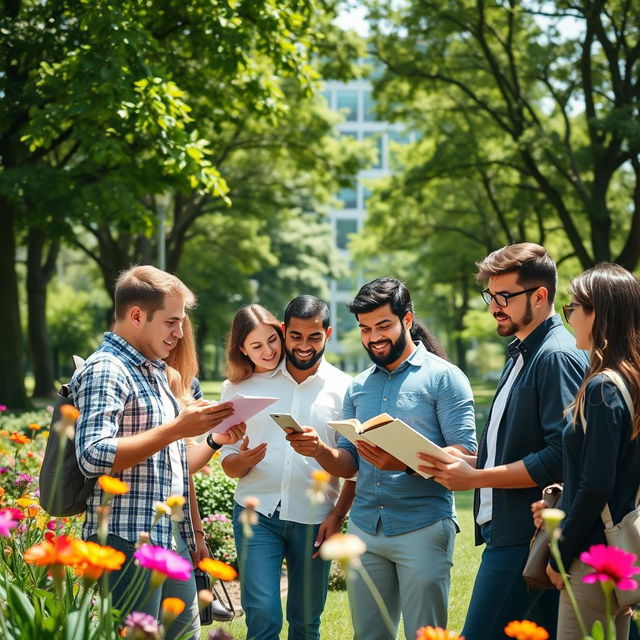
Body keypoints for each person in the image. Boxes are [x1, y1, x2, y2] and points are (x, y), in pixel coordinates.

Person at [288, 277, 477, 639]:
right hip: (365, 529)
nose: (374, 336)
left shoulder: (445, 378)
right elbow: (350, 463)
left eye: (383, 326)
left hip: (422, 525)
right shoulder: (358, 386)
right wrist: (320, 451)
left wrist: (403, 462)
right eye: (365, 329)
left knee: (426, 635)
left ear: (407, 320)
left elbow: (466, 455)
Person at [418, 243, 589, 640]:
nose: (494, 307)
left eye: (504, 297)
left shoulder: (555, 356)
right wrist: (470, 462)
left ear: (540, 296)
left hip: (525, 536)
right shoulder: (520, 352)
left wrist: (474, 479)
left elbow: (561, 455)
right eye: (490, 296)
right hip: (514, 533)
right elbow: (519, 446)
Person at [71, 265, 244, 639]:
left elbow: (173, 461)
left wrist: (209, 437)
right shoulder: (108, 369)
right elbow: (92, 454)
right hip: (125, 540)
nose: (180, 333)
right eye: (171, 322)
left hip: (167, 539)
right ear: (136, 316)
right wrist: (177, 429)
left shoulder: (152, 370)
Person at [218, 299, 353, 640]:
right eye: (294, 336)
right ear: (284, 332)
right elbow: (228, 461)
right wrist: (242, 460)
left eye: (314, 337)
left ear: (327, 335)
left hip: (315, 519)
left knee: (306, 621)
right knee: (262, 614)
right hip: (257, 512)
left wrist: (338, 515)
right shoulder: (240, 388)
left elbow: (354, 465)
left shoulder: (344, 388)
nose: (304, 345)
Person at [531, 263, 640, 638]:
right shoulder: (631, 381)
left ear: (599, 314)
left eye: (573, 307)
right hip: (622, 552)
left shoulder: (601, 390)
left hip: (592, 555)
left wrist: (561, 555)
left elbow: (596, 484)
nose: (570, 317)